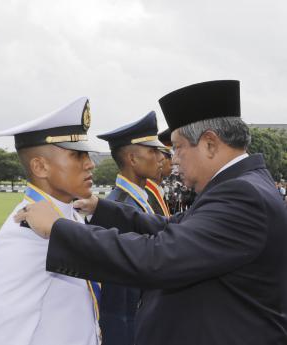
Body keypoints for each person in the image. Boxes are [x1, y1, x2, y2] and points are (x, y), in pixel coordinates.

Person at [16, 80, 287, 345]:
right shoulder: (242, 187)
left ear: (210, 144)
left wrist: (58, 229)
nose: (174, 159)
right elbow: (173, 227)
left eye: (178, 147)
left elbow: (159, 256)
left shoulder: (242, 195)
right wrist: (102, 209)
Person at [0, 97, 101, 345]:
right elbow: (0, 337)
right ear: (40, 166)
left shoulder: (70, 216)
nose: (90, 164)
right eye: (77, 155)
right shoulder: (22, 236)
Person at [95, 111, 165, 345]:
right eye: (152, 151)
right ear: (132, 159)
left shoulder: (140, 201)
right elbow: (119, 298)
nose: (161, 157)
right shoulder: (117, 208)